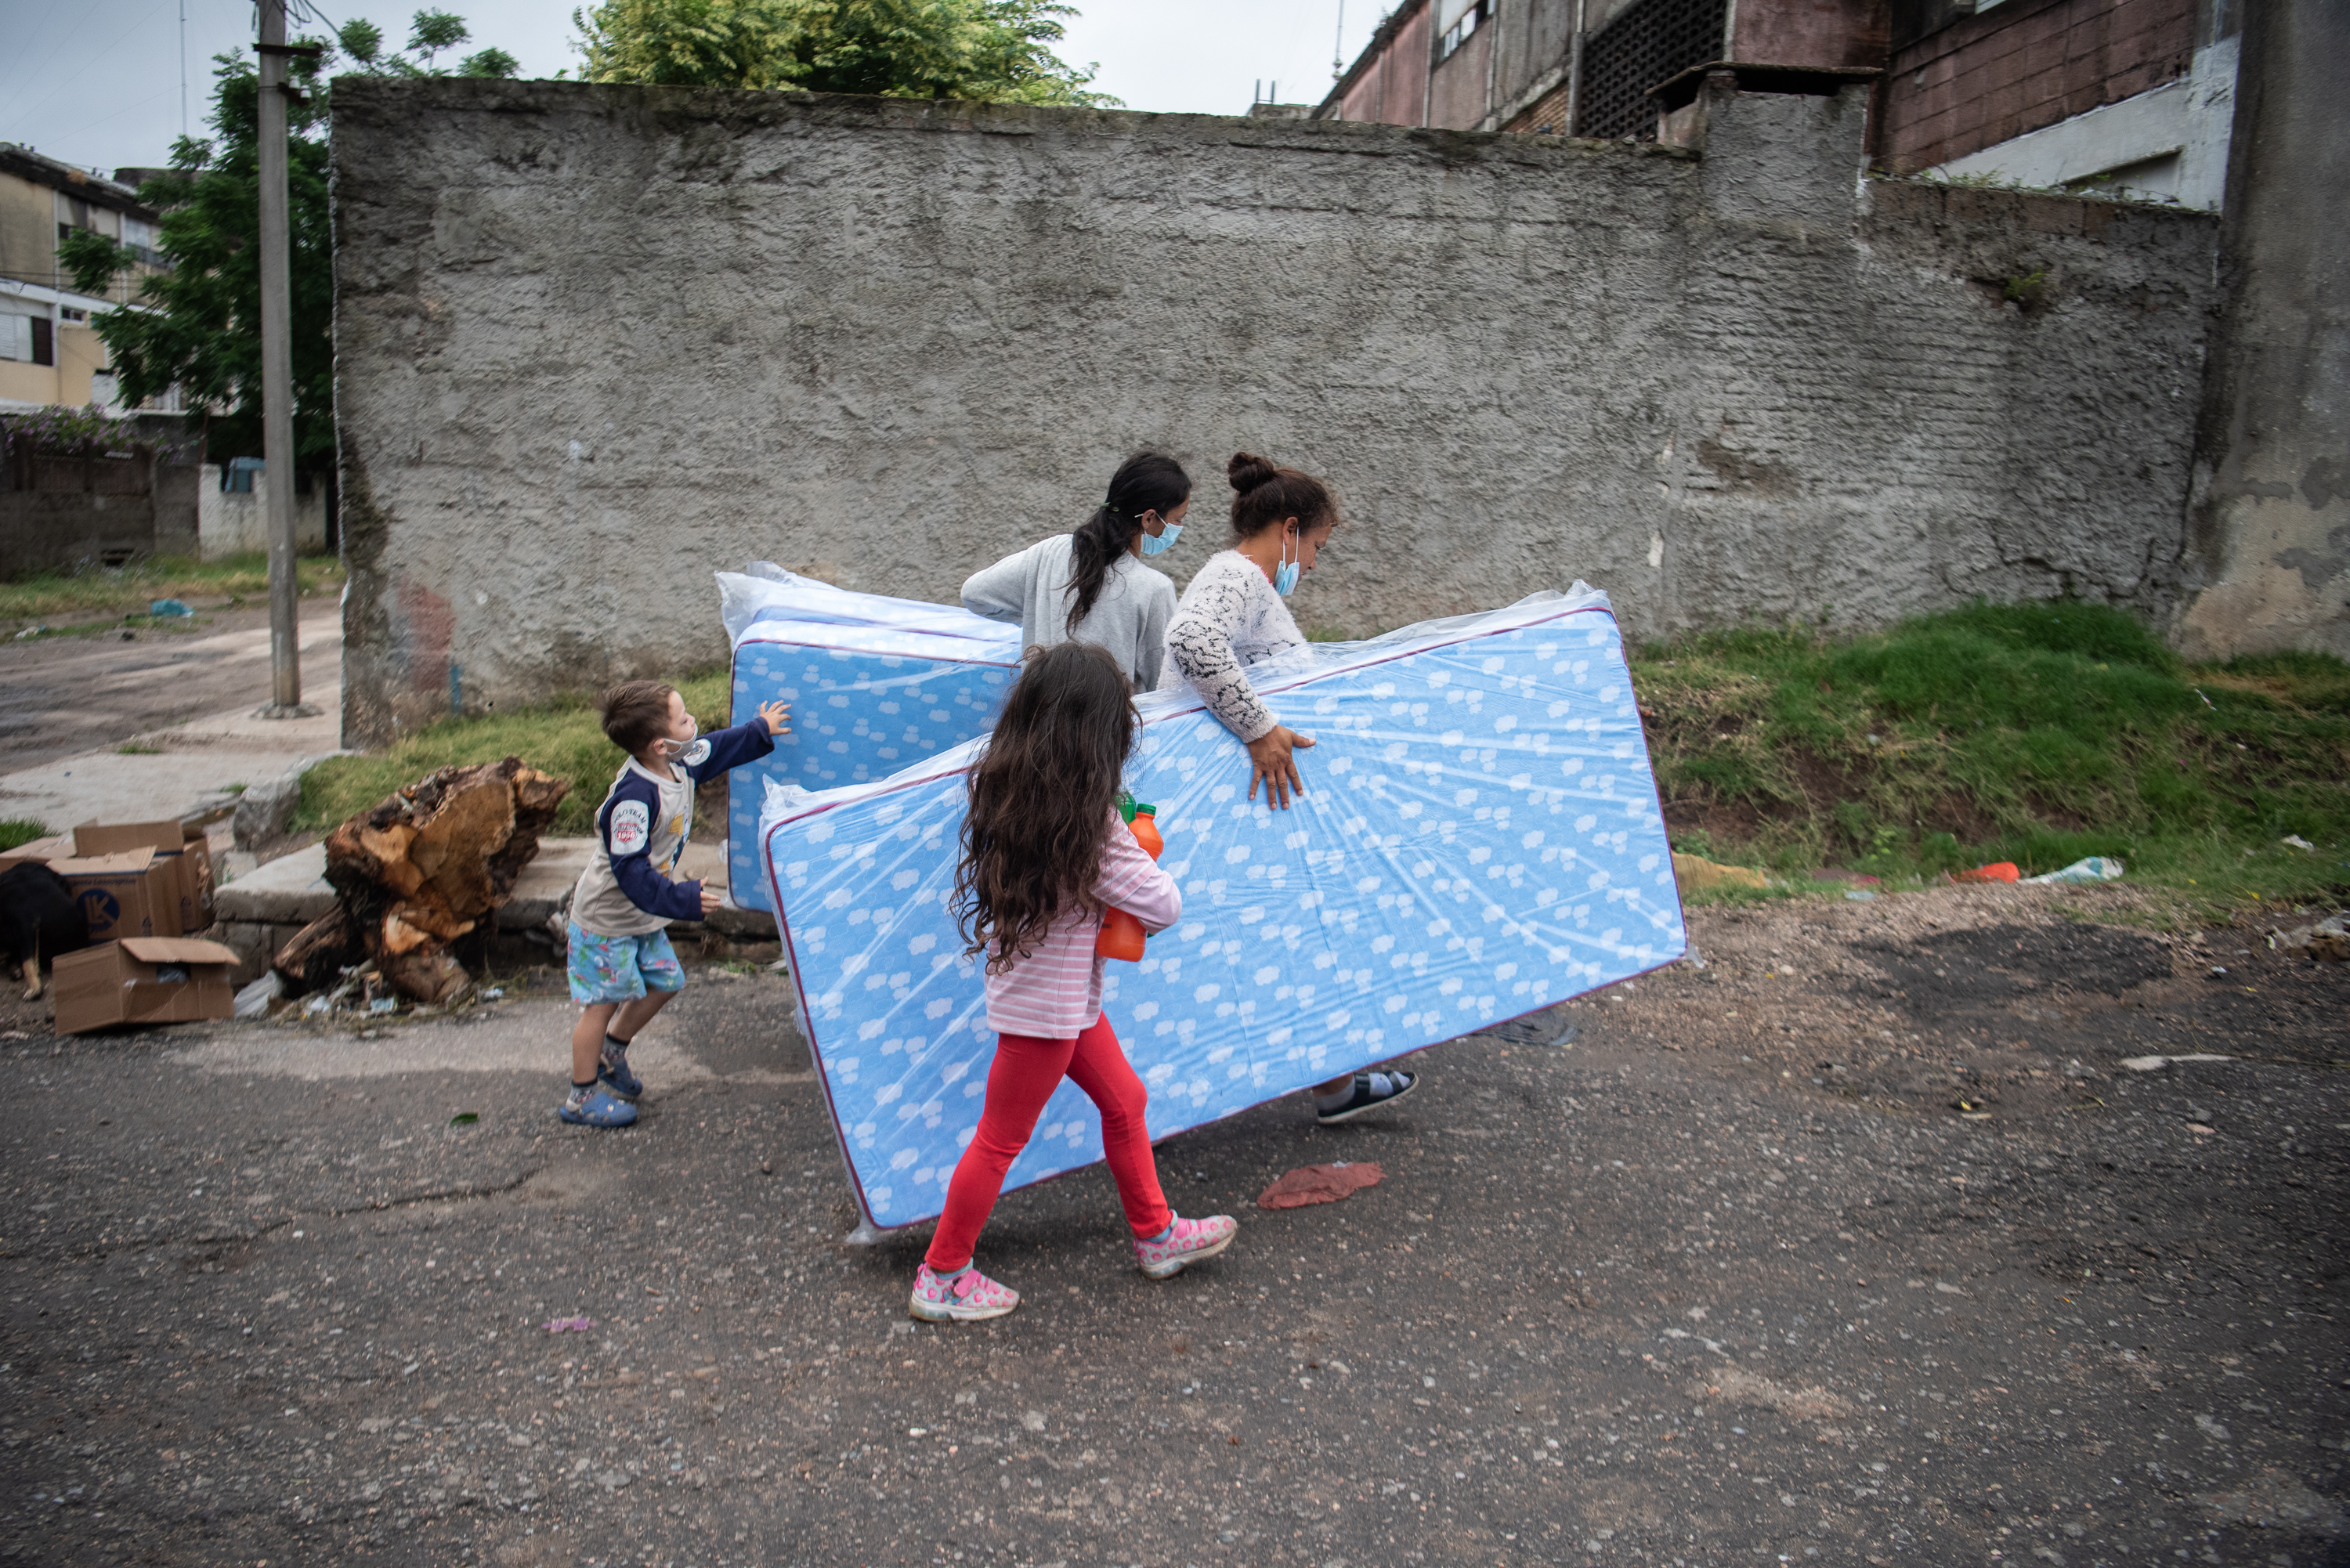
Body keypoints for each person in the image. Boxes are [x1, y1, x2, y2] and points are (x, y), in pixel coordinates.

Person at [910, 642, 1238, 1323]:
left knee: (1124, 1100)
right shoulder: (1091, 827)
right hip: (1047, 1012)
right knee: (999, 1139)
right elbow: (1163, 905)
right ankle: (941, 1275)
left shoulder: (1009, 788)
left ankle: (1156, 1236)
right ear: (1096, 738)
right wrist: (1136, 835)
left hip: (1051, 996)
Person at [1159, 451, 1421, 1126]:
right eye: (1317, 552)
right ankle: (1154, 1104)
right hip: (1217, 810)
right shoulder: (1237, 575)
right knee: (1265, 938)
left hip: (1246, 809)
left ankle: (1332, 1084)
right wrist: (1259, 729)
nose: (1309, 567)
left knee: (1299, 932)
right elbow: (1191, 641)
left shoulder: (1246, 583)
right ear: (1291, 529)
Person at [558, 680, 790, 1128]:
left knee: (667, 981)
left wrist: (760, 728)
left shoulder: (677, 762)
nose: (694, 723)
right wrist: (682, 898)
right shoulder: (634, 801)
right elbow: (631, 874)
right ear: (659, 743)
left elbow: (715, 750)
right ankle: (581, 1097)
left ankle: (613, 1049)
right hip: (606, 919)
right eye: (684, 719)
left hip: (641, 915)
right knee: (601, 1004)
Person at [960, 452, 1191, 688]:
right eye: (1178, 519)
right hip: (1109, 725)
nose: (1179, 528)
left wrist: (1037, 617)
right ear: (1149, 518)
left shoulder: (1050, 552)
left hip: (1034, 720)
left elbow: (974, 594)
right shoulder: (1154, 589)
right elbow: (1167, 686)